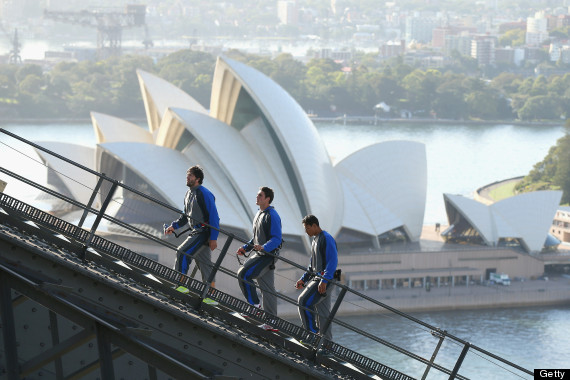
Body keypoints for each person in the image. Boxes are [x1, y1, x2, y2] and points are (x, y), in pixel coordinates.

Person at [165, 165, 220, 304]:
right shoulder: (189, 193)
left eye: (190, 176)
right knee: (205, 265)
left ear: (198, 179)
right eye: (187, 175)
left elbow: (214, 217)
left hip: (202, 233)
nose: (187, 178)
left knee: (182, 252)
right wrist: (174, 226)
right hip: (196, 231)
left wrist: (213, 238)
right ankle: (211, 297)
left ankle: (181, 285)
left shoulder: (204, 193)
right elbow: (185, 216)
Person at [237, 186, 282, 331]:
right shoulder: (259, 214)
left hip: (266, 256)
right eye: (257, 195)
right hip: (261, 253)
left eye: (260, 195)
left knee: (244, 274)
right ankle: (271, 323)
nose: (257, 197)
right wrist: (246, 247)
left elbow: (276, 239)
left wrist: (263, 248)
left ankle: (254, 306)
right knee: (267, 289)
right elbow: (256, 237)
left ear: (267, 199)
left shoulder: (272, 215)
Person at [295, 214, 338, 343]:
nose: (306, 231)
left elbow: (332, 261)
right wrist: (303, 279)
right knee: (323, 313)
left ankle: (312, 334)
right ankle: (326, 344)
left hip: (325, 279)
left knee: (303, 301)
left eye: (307, 228)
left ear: (314, 226)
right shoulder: (315, 239)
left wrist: (324, 281)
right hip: (318, 278)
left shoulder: (327, 238)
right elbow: (312, 264)